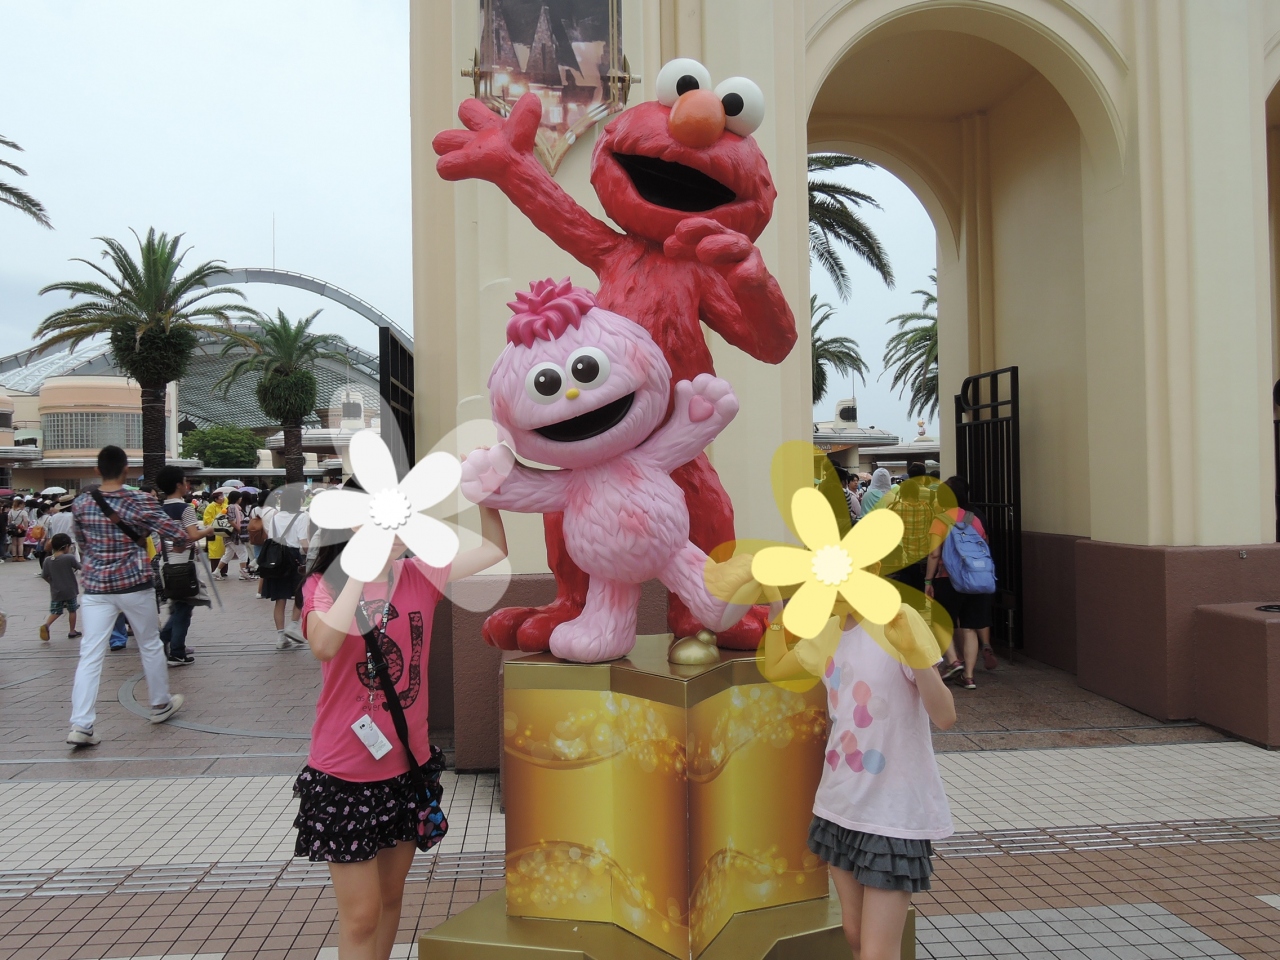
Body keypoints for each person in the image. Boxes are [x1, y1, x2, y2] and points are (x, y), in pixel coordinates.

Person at [294, 495, 508, 960]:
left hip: (406, 770)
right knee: (361, 915)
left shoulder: (418, 575)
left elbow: (495, 549)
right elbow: (324, 644)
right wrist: (360, 569)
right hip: (342, 777)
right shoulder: (324, 584)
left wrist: (485, 497)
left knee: (391, 901)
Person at [762, 593, 955, 960]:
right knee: (854, 935)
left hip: (892, 816)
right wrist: (776, 619)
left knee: (877, 952)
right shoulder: (826, 629)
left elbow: (945, 716)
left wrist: (915, 655)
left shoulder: (899, 618)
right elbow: (777, 668)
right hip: (841, 805)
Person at [65, 445, 190, 746]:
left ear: (97, 470)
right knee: (148, 643)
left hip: (95, 587)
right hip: (134, 583)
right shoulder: (139, 500)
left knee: (90, 654)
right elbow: (175, 533)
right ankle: (159, 703)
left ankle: (81, 725)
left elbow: (81, 542)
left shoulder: (81, 504)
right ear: (126, 470)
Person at [925, 475, 997, 690]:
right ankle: (969, 676)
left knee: (941, 622)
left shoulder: (940, 520)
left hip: (948, 579)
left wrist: (929, 580)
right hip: (974, 579)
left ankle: (954, 660)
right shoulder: (974, 519)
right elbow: (984, 545)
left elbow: (935, 554)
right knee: (969, 628)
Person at [155, 465, 217, 666]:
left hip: (166, 564)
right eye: (184, 481)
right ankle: (176, 650)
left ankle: (164, 642)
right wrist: (207, 530)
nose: (187, 484)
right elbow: (191, 535)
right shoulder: (185, 509)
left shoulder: (160, 509)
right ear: (178, 484)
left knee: (181, 605)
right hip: (184, 565)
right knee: (184, 608)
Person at [263, 487, 310, 648]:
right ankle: (293, 626)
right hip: (294, 558)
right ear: (298, 501)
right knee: (301, 594)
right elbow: (303, 542)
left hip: (276, 559)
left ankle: (280, 637)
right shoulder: (302, 516)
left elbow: (271, 538)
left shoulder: (276, 516)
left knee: (280, 599)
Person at [39, 533, 82, 642]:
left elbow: (44, 575)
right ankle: (72, 631)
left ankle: (47, 625)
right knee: (72, 610)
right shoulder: (69, 558)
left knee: (56, 611)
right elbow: (80, 567)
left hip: (56, 591)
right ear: (65, 546)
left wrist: (51, 583)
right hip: (70, 589)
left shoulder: (48, 560)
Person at [217, 490, 252, 581]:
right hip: (234, 536)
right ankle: (243, 573)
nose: (241, 499)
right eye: (240, 497)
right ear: (237, 498)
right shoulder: (232, 507)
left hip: (231, 536)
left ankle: (216, 572)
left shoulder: (236, 507)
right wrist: (239, 529)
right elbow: (231, 520)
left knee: (228, 555)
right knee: (243, 552)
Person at [203, 490, 227, 575]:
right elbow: (207, 520)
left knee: (224, 552)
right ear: (216, 499)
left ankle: (223, 571)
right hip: (214, 533)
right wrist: (218, 520)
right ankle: (215, 570)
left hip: (224, 532)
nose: (223, 498)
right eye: (220, 497)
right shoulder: (210, 507)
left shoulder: (225, 505)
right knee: (214, 552)